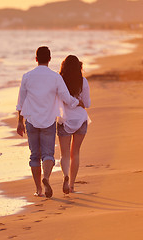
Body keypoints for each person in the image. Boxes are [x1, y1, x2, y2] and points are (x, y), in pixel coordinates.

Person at [16, 46, 83, 198]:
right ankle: (46, 177)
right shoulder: (55, 77)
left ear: (36, 59)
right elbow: (66, 98)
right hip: (48, 120)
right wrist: (77, 103)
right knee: (48, 155)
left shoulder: (27, 76)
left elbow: (21, 101)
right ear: (50, 59)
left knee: (34, 156)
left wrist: (20, 122)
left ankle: (39, 189)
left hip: (31, 120)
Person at [57, 55, 91, 194]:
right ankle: (71, 186)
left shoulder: (60, 81)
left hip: (64, 120)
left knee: (64, 154)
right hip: (80, 120)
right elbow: (87, 104)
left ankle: (65, 176)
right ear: (79, 66)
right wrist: (80, 102)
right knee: (75, 153)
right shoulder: (83, 81)